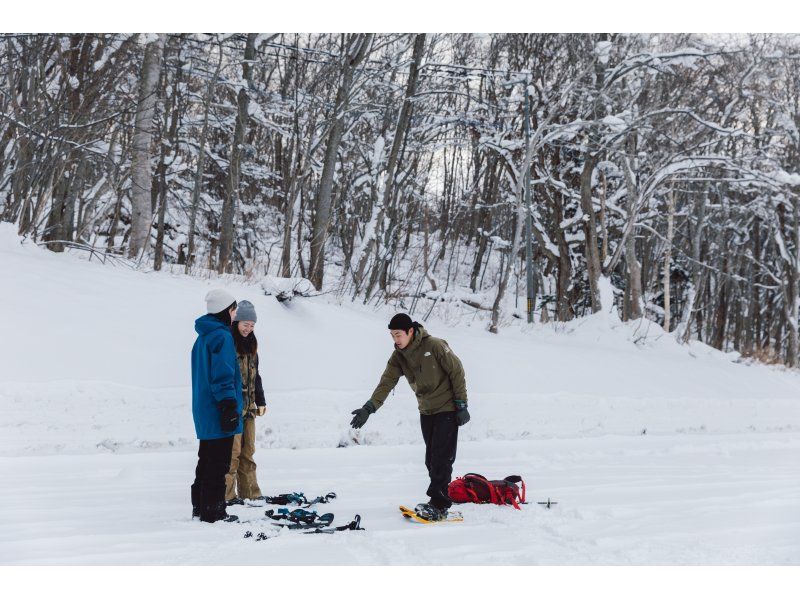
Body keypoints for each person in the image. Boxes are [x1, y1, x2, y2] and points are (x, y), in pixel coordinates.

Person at [350, 313, 471, 521]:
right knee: (431, 460)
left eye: (398, 335)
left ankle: (439, 504)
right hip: (426, 411)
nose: (396, 340)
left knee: (442, 458)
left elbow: (457, 371)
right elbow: (386, 383)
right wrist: (368, 408)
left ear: (410, 331)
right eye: (392, 336)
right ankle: (438, 499)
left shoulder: (434, 345)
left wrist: (461, 404)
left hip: (448, 408)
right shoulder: (398, 357)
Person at [190, 288, 243, 523]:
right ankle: (214, 512)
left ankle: (200, 508)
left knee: (206, 460)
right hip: (218, 410)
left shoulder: (202, 337)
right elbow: (222, 375)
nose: (235, 315)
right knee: (218, 463)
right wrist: (229, 405)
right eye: (233, 310)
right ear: (225, 311)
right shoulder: (222, 336)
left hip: (204, 410)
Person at [225, 300, 267, 505]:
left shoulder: (252, 346)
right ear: (237, 322)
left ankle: (251, 492)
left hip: (249, 408)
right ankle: (226, 495)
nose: (248, 329)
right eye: (245, 324)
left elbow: (256, 376)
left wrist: (261, 400)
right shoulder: (229, 343)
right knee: (232, 454)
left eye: (252, 325)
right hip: (234, 408)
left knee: (248, 452)